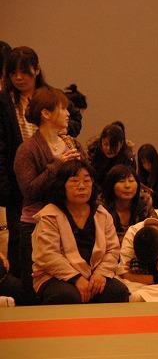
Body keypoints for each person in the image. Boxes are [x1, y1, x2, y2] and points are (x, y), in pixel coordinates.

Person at [0, 47, 81, 278]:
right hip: (20, 173)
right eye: (13, 73)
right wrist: (4, 188)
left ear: (36, 70)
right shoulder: (4, 101)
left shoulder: (51, 96)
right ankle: (24, 285)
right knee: (20, 238)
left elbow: (75, 118)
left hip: (54, 173)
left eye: (24, 72)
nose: (18, 78)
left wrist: (60, 130)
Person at [13, 86, 85, 302]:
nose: (68, 113)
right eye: (63, 108)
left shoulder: (72, 143)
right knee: (34, 294)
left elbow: (90, 180)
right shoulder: (27, 149)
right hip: (35, 226)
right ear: (46, 113)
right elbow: (29, 190)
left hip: (71, 224)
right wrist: (57, 165)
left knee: (75, 286)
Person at [31, 160, 129, 304]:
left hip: (94, 274)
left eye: (87, 181)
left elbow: (112, 249)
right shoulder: (50, 215)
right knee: (68, 296)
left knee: (118, 292)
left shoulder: (101, 213)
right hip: (55, 276)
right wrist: (76, 278)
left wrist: (101, 273)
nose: (82, 186)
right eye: (74, 181)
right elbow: (47, 255)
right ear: (62, 185)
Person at [100, 165, 157, 242]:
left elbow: (155, 231)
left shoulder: (144, 204)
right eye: (121, 181)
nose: (127, 186)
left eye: (131, 181)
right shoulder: (101, 208)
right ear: (111, 185)